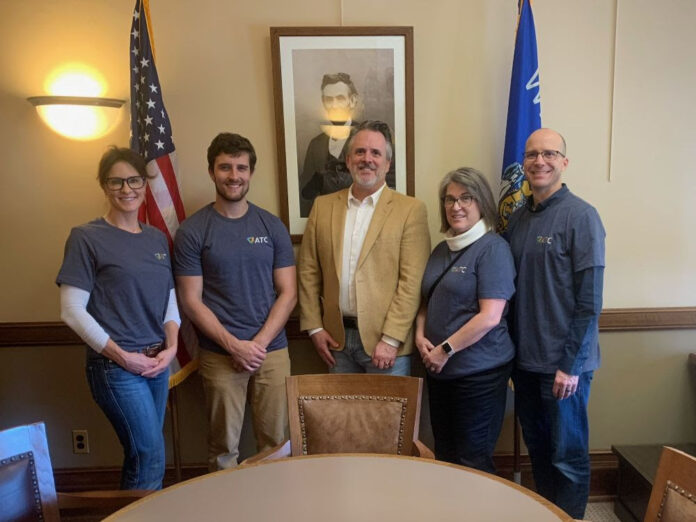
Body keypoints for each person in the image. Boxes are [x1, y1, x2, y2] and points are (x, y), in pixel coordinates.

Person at [56, 146, 180, 490]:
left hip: (156, 363)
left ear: (145, 183)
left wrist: (171, 348)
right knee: (150, 454)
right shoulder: (86, 237)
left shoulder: (156, 238)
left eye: (134, 180)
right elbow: (71, 310)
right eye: (116, 182)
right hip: (116, 368)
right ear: (104, 186)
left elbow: (168, 298)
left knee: (141, 454)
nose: (126, 189)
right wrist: (123, 357)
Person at [174, 132, 296, 470]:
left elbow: (288, 293)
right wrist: (234, 346)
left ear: (251, 173)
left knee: (276, 446)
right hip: (219, 354)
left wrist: (257, 344)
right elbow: (191, 300)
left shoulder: (271, 226)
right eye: (225, 167)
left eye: (241, 167)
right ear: (212, 172)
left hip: (271, 351)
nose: (234, 175)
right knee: (223, 448)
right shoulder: (193, 231)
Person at [505, 128, 605, 519]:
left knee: (569, 458)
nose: (539, 161)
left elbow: (589, 301)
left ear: (564, 162)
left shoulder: (582, 216)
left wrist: (571, 365)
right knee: (540, 454)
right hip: (526, 365)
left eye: (549, 154)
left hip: (565, 370)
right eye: (531, 155)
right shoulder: (516, 219)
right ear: (524, 164)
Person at [298, 120, 430, 375]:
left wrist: (391, 339)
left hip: (386, 346)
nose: (366, 159)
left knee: (386, 416)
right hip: (336, 342)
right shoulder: (322, 207)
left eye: (375, 153)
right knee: (342, 416)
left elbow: (411, 282)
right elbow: (308, 272)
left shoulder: (410, 210)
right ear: (348, 160)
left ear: (387, 164)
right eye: (359, 152)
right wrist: (314, 328)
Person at [415, 167, 516, 473]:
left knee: (473, 460)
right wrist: (420, 336)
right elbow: (426, 301)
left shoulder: (494, 249)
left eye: (465, 198)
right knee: (446, 455)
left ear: (481, 202)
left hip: (479, 376)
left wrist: (444, 350)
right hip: (439, 373)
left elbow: (490, 316)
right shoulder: (440, 250)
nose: (455, 206)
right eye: (449, 199)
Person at [299, 73, 395, 216]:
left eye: (340, 98)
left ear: (352, 100)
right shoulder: (316, 145)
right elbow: (305, 194)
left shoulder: (369, 140)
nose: (334, 105)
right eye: (329, 100)